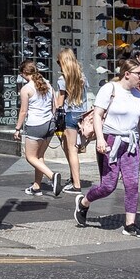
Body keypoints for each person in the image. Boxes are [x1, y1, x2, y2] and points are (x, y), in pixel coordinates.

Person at [74, 57, 140, 237]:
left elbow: (139, 122)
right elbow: (98, 115)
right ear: (127, 74)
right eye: (139, 74)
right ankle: (84, 202)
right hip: (110, 141)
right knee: (108, 186)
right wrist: (100, 139)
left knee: (132, 184)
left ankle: (130, 225)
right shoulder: (110, 89)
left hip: (130, 142)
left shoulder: (137, 95)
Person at [13, 62, 60, 195]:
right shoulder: (47, 84)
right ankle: (36, 186)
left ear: (23, 73)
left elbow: (23, 111)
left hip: (35, 125)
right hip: (50, 124)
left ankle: (52, 176)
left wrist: (17, 128)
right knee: (39, 156)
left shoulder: (26, 89)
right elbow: (55, 105)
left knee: (30, 157)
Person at [54, 48, 89, 193]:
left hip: (69, 114)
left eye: (59, 62)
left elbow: (60, 102)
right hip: (81, 113)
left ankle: (76, 184)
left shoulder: (63, 79)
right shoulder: (82, 76)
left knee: (71, 150)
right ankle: (73, 177)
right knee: (69, 147)